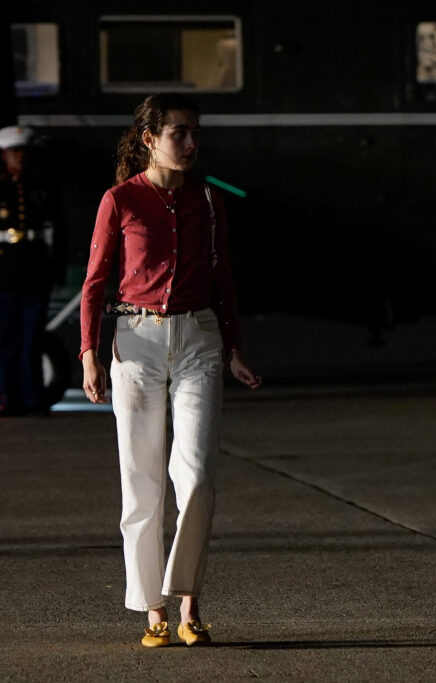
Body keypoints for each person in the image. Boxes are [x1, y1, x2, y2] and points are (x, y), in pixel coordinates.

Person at [80, 94, 262, 646]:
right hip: (136, 342)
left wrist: (234, 346)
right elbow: (95, 281)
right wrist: (89, 352)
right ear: (149, 139)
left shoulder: (208, 198)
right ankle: (153, 609)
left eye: (194, 132)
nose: (190, 142)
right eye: (178, 132)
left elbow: (223, 276)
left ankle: (189, 601)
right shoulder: (120, 199)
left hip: (199, 337)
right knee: (141, 481)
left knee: (198, 475)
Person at [0, 125, 63, 415]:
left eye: (24, 152)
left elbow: (58, 230)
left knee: (32, 337)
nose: (20, 158)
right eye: (14, 152)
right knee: (6, 337)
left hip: (35, 270)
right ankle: (7, 396)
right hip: (4, 271)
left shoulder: (42, 188)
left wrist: (56, 269)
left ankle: (32, 398)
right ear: (4, 155)